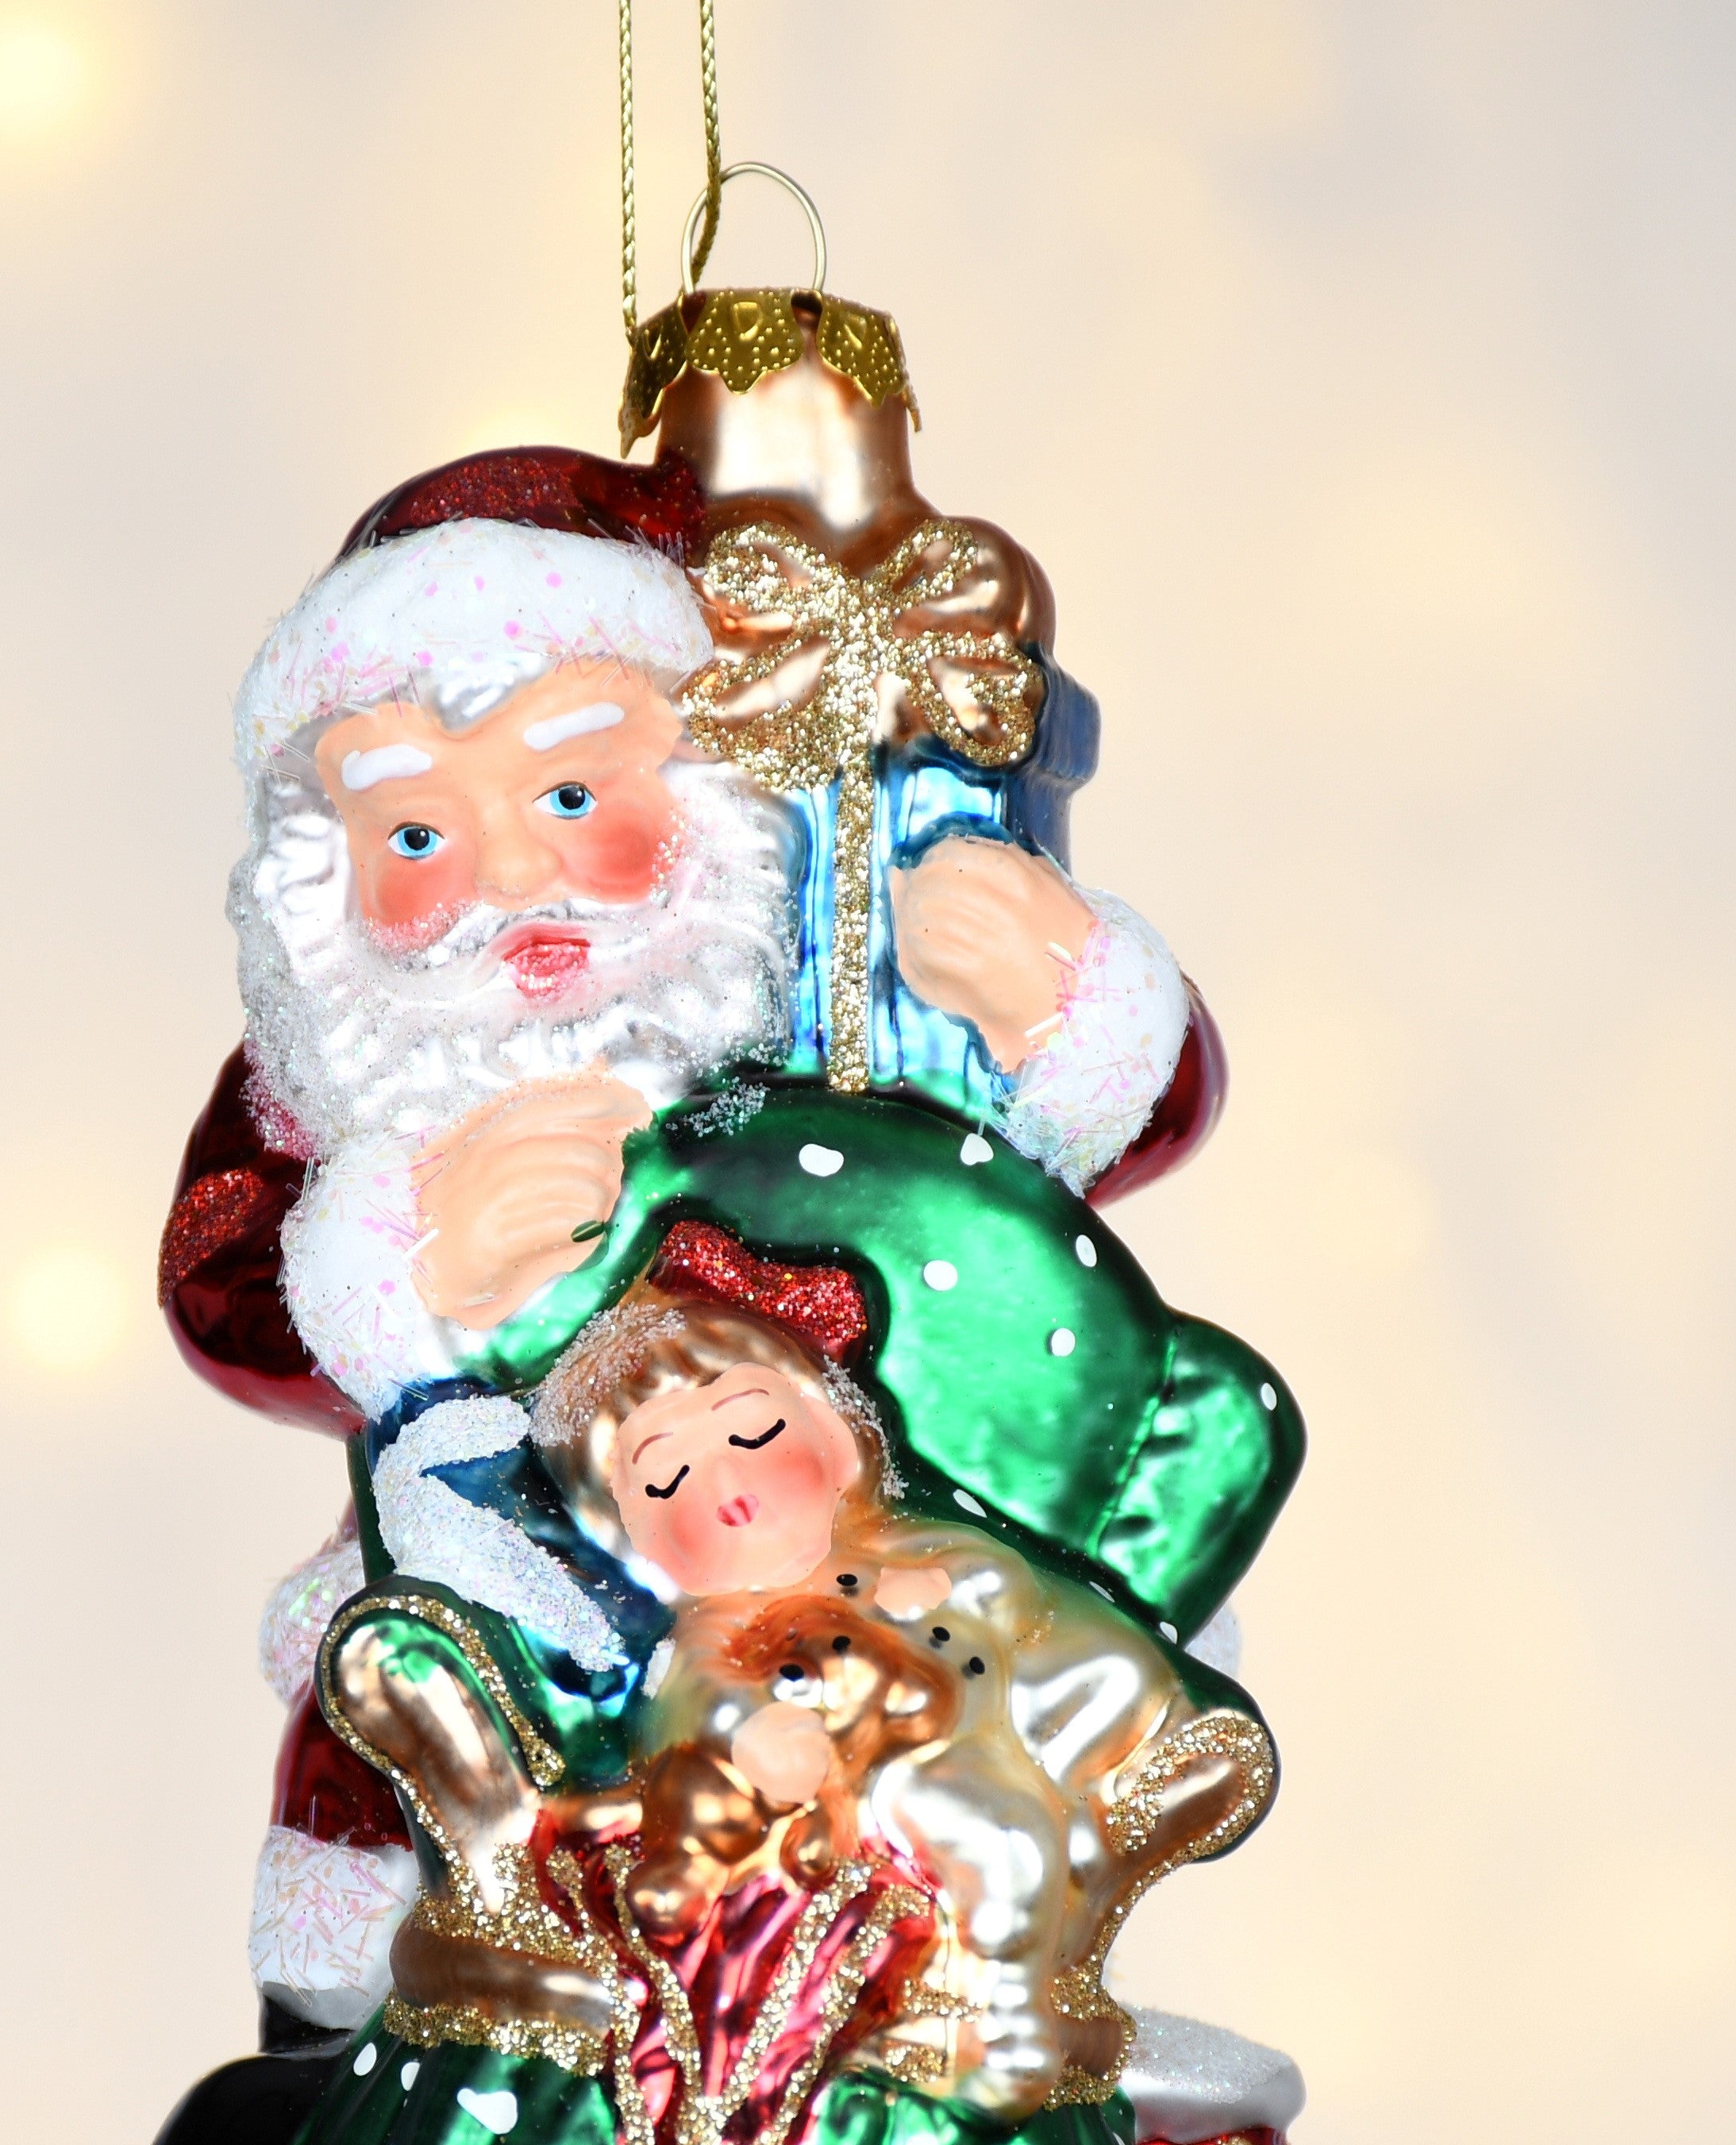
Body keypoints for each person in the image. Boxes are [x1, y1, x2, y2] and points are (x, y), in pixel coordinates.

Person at [179, 445, 1234, 2036]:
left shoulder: (768, 996)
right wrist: (405, 1266)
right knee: (408, 1755)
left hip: (833, 1535)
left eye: (568, 796)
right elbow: (221, 1288)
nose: (511, 881)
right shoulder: (336, 1079)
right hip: (511, 1564)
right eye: (417, 837)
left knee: (931, 1751)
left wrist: (1074, 1009)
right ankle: (417, 2008)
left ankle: (933, 1956)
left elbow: (1025, 1180)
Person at [248, 1258, 1286, 2145]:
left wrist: (1128, 1713)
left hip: (992, 1773)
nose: (727, 1484)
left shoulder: (955, 1564)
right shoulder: (714, 1635)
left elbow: (1072, 1652)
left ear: (837, 1449)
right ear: (636, 1536)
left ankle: (1011, 1985)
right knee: (952, 1837)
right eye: (667, 1476)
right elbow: (703, 1719)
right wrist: (764, 1740)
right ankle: (945, 2060)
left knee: (1013, 1820)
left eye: (753, 1432)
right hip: (822, 1836)